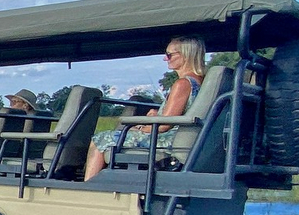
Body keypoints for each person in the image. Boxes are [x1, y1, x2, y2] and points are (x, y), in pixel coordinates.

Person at [84, 36, 207, 180]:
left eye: (169, 55)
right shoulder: (200, 81)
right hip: (178, 136)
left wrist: (140, 127)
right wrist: (158, 114)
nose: (165, 59)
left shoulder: (182, 84)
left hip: (165, 140)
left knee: (100, 138)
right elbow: (178, 114)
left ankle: (88, 185)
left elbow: (164, 126)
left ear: (186, 55)